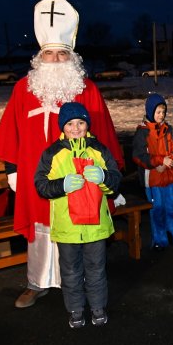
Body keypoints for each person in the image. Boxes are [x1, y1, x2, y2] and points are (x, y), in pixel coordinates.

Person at [0, 0, 125, 308]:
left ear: (72, 57)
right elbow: (10, 128)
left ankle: (75, 283)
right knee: (39, 227)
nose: (54, 60)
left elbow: (103, 133)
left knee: (76, 221)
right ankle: (36, 282)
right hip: (35, 174)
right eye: (48, 53)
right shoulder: (23, 88)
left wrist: (111, 175)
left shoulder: (86, 89)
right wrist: (12, 168)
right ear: (39, 56)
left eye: (61, 54)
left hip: (79, 177)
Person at [34, 102, 122, 328]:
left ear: (87, 125)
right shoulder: (52, 153)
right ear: (63, 127)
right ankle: (75, 309)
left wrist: (103, 176)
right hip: (67, 226)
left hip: (96, 225)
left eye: (81, 122)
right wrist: (61, 185)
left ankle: (98, 307)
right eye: (70, 123)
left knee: (96, 268)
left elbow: (116, 183)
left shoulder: (99, 150)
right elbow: (41, 186)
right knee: (71, 271)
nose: (76, 128)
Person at [132, 94, 173, 251]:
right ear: (150, 112)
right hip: (153, 178)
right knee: (158, 209)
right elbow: (138, 155)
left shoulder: (169, 129)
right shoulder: (142, 132)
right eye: (158, 112)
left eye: (163, 112)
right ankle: (160, 239)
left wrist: (171, 160)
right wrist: (159, 161)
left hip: (170, 177)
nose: (161, 115)